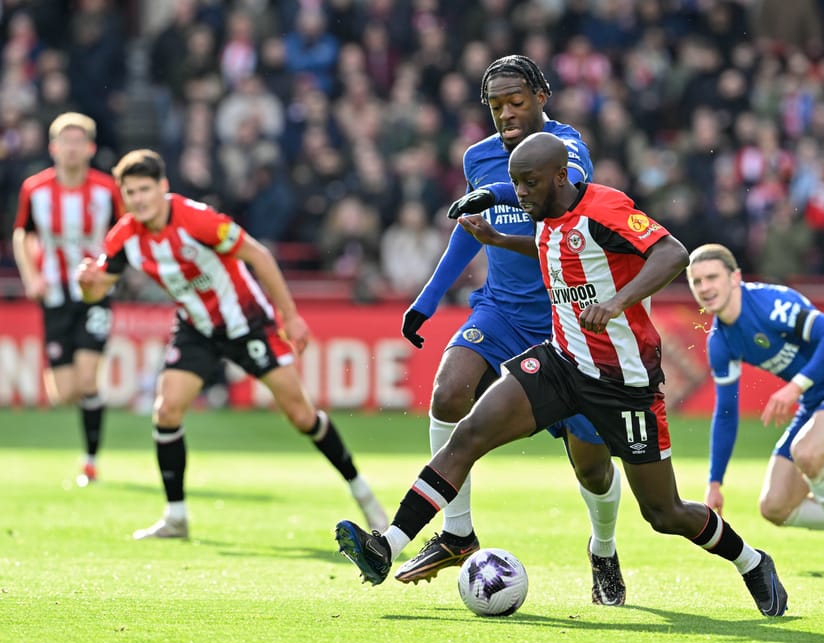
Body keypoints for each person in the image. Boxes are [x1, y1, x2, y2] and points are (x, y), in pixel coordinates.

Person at [335, 132, 788, 618]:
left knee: (664, 513)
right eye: (515, 184)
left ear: (560, 177)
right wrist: (497, 239)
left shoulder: (606, 208)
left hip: (624, 384)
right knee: (467, 435)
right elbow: (553, 251)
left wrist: (617, 301)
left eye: (529, 184)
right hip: (562, 363)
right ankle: (390, 543)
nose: (520, 195)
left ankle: (752, 562)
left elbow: (672, 253)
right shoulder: (545, 216)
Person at [396, 55, 626, 605]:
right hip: (499, 310)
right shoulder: (477, 157)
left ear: (542, 95)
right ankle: (456, 531)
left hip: (564, 319)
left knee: (591, 467)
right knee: (449, 390)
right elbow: (469, 232)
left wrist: (494, 195)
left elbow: (557, 196)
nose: (505, 112)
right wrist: (427, 300)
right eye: (496, 105)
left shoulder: (568, 147)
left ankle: (604, 546)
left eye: (516, 101)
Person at [75, 149, 387, 540]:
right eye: (131, 192)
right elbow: (97, 289)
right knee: (167, 409)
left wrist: (289, 316)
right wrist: (87, 285)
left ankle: (366, 498)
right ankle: (176, 517)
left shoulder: (197, 219)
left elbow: (259, 254)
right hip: (196, 328)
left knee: (302, 416)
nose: (138, 199)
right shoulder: (124, 237)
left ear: (163, 187)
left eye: (144, 190)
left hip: (248, 324)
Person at [685, 243, 824, 572]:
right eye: (696, 281)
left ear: (735, 278)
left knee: (807, 452)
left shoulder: (771, 304)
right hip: (815, 402)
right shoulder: (720, 342)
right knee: (774, 507)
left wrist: (795, 386)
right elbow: (725, 412)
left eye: (712, 277)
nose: (705, 288)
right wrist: (715, 483)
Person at [12, 112, 125, 487]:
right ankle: (73, 395)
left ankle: (90, 461)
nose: (72, 149)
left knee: (89, 379)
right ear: (53, 148)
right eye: (65, 142)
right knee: (65, 393)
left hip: (94, 293)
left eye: (79, 142)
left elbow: (125, 233)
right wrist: (31, 277)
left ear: (90, 148)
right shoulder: (35, 188)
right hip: (55, 294)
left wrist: (113, 274)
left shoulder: (107, 189)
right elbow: (21, 234)